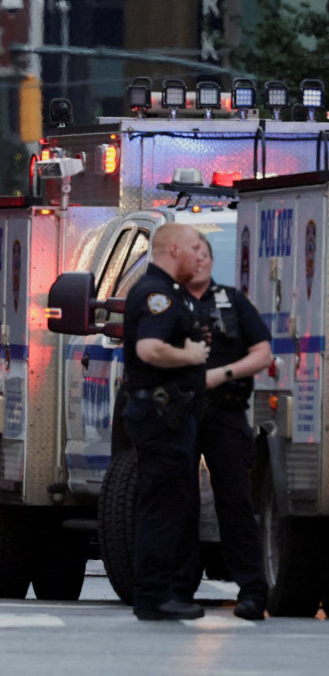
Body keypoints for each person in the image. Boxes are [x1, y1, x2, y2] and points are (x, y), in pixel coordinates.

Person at [121, 224, 211, 621]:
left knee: (171, 504)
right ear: (173, 249)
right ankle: (154, 596)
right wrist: (190, 358)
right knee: (162, 507)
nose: (200, 256)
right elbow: (149, 348)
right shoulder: (157, 295)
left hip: (166, 415)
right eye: (195, 248)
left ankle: (162, 592)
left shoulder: (167, 293)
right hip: (161, 417)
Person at [183, 238, 271, 621]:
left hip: (226, 412)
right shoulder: (163, 302)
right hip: (179, 415)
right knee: (177, 503)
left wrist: (223, 374)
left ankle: (252, 592)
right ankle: (177, 590)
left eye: (205, 254)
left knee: (234, 503)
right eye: (192, 254)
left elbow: (263, 353)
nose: (199, 260)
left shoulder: (233, 302)